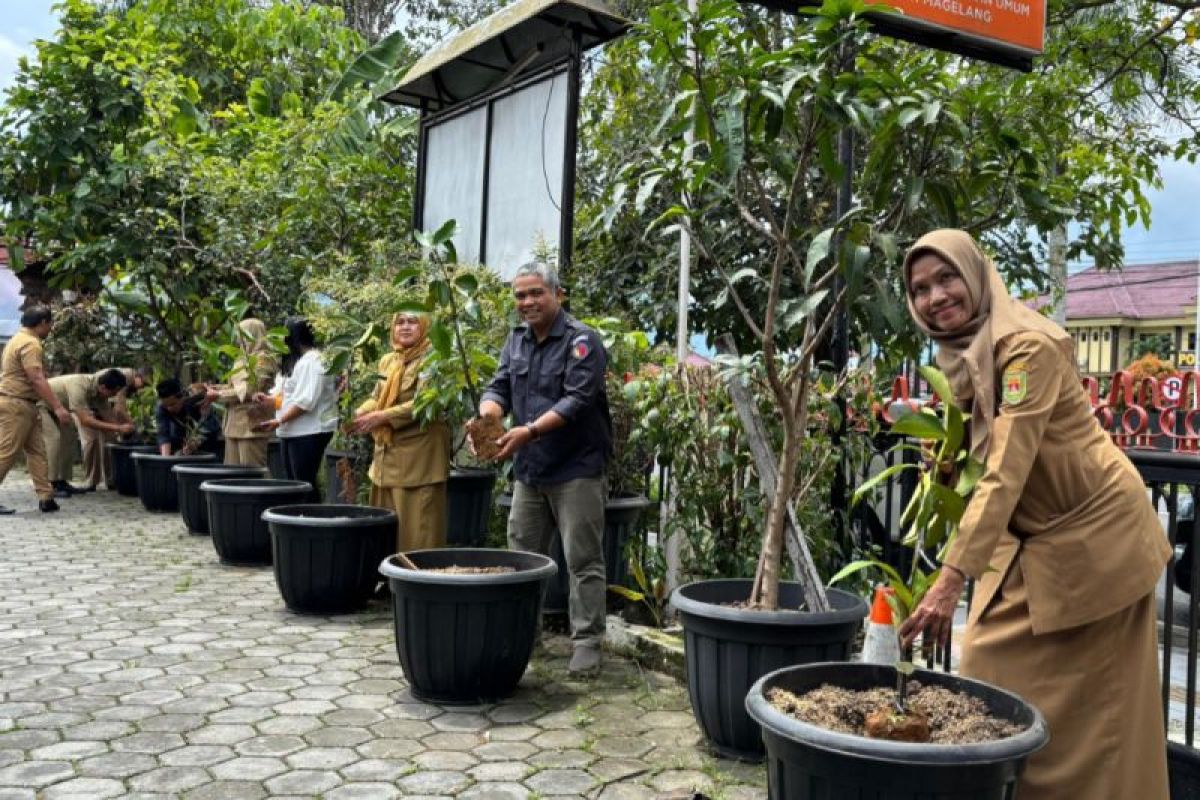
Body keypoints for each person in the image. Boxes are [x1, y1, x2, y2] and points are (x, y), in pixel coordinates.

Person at [897, 229, 1171, 800]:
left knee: (1105, 715)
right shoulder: (963, 352)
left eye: (947, 278)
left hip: (1095, 541)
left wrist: (950, 578)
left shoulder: (1027, 346)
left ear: (974, 274)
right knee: (986, 668)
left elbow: (1009, 467)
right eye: (920, 288)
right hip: (1028, 544)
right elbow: (984, 456)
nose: (935, 297)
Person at [478, 261, 612, 675]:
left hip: (576, 470)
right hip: (530, 471)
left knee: (582, 559)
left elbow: (576, 400)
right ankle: (524, 635)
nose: (528, 302)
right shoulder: (516, 339)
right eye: (520, 295)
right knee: (522, 558)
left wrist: (528, 432)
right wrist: (488, 417)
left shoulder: (582, 341)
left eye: (536, 292)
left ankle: (587, 641)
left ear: (558, 294)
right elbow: (499, 385)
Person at [353, 312, 450, 551]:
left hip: (419, 463)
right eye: (399, 322)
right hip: (387, 459)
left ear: (425, 326)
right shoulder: (389, 360)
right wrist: (360, 413)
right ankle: (389, 584)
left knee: (417, 535)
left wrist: (382, 416)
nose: (405, 327)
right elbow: (377, 397)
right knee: (385, 531)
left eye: (413, 322)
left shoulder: (435, 359)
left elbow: (427, 403)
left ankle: (417, 585)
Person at [255, 318, 336, 503]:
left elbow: (305, 402)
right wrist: (269, 400)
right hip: (292, 430)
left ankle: (313, 522)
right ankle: (299, 520)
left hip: (309, 430)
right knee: (293, 483)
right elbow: (288, 398)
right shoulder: (297, 362)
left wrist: (279, 420)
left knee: (304, 482)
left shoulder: (313, 361)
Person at [0, 305, 70, 513]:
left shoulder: (16, 339)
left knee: (37, 452)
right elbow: (37, 378)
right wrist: (58, 407)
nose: (50, 328)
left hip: (24, 405)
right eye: (50, 324)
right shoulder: (31, 344)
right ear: (42, 323)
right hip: (17, 404)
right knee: (6, 452)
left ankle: (46, 497)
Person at [39, 369, 136, 496]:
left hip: (59, 409)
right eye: (113, 392)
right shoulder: (79, 386)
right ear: (103, 387)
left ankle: (61, 481)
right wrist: (118, 429)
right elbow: (85, 420)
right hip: (40, 404)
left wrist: (125, 431)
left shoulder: (100, 395)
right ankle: (50, 485)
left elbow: (109, 418)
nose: (113, 396)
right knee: (54, 439)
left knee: (69, 438)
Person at [212, 318, 278, 467]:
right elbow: (234, 387)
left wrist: (218, 395)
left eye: (244, 335)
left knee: (253, 472)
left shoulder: (264, 359)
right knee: (232, 473)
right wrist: (215, 389)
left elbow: (250, 390)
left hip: (251, 424)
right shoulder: (241, 360)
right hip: (233, 424)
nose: (240, 340)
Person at [78, 367, 146, 491]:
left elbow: (115, 410)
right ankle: (91, 481)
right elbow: (119, 409)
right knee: (91, 440)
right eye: (145, 383)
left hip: (99, 402)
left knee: (110, 438)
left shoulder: (127, 379)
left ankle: (111, 479)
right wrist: (132, 426)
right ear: (139, 376)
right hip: (85, 403)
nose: (142, 388)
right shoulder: (125, 377)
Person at [154, 378, 221, 456]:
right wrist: (165, 459)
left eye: (172, 404)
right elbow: (163, 434)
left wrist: (195, 443)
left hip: (208, 435)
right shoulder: (161, 408)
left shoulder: (196, 400)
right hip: (182, 435)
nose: (169, 408)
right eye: (166, 406)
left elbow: (207, 425)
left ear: (182, 397)